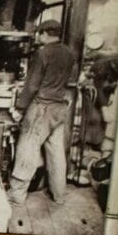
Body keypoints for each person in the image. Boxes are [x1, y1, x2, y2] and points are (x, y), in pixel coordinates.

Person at [8, 20, 77, 210]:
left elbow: (32, 85)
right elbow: (70, 79)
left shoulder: (43, 53)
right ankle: (59, 194)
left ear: (46, 33)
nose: (38, 37)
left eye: (40, 33)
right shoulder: (70, 53)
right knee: (56, 152)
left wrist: (20, 108)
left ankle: (16, 195)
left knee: (27, 150)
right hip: (59, 108)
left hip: (42, 108)